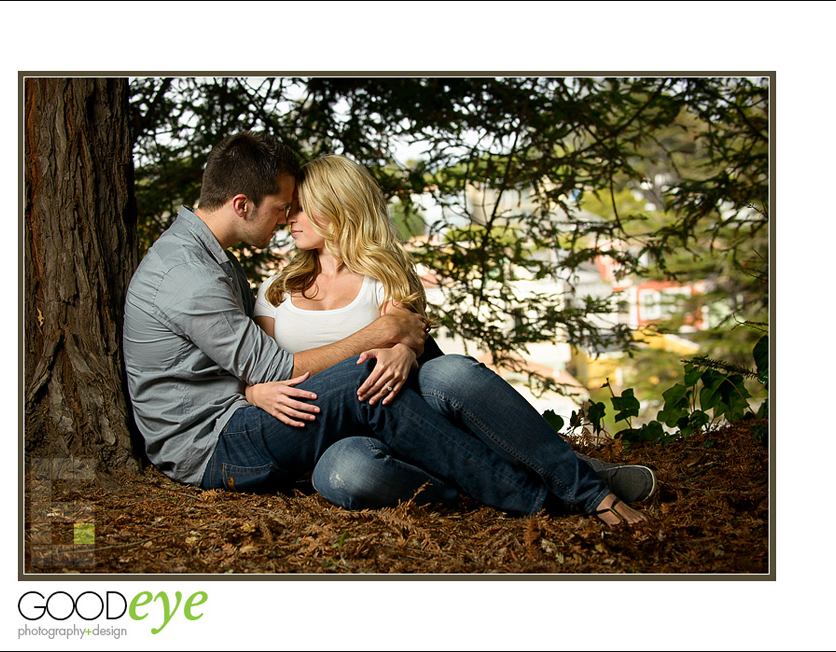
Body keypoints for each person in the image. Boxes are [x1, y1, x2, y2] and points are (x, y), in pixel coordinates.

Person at [248, 154, 655, 525]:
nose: (289, 217)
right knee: (350, 471)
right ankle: (484, 484)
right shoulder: (275, 289)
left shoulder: (385, 276)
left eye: (301, 206)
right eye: (290, 208)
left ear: (338, 206)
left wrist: (405, 350)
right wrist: (253, 393)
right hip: (333, 436)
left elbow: (403, 332)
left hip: (401, 413)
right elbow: (256, 368)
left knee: (451, 373)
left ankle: (585, 487)